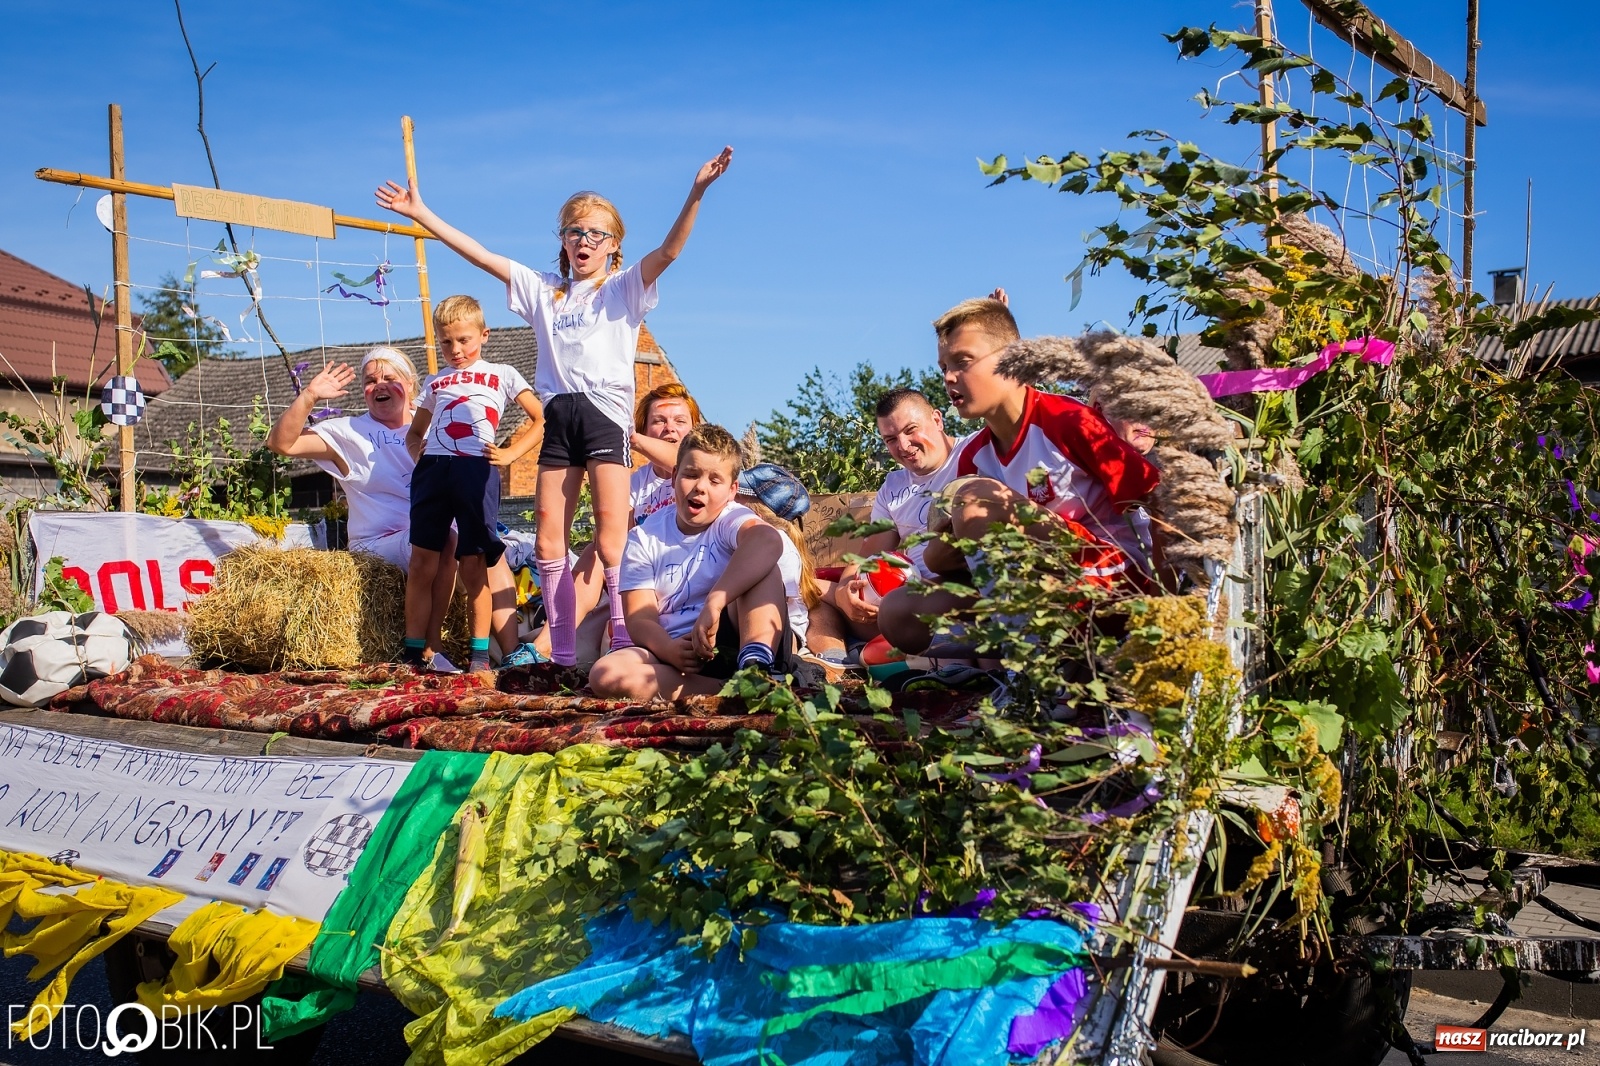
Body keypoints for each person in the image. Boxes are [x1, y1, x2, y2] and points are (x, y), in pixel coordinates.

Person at [377, 147, 734, 668]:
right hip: (560, 414)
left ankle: (621, 634)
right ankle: (558, 653)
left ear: (613, 245)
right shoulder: (543, 290)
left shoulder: (623, 288)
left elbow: (671, 251)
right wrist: (422, 214)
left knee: (612, 531)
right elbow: (481, 256)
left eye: (595, 234)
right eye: (573, 232)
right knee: (548, 534)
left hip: (604, 414)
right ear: (563, 243)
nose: (583, 241)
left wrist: (697, 191)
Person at [877, 298, 1160, 654]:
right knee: (899, 611)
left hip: (1110, 580)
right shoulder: (975, 455)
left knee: (973, 499)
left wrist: (1164, 606)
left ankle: (1031, 675)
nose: (949, 377)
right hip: (1036, 588)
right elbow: (938, 559)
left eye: (963, 362)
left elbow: (1156, 501)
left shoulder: (1069, 422)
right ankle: (1031, 656)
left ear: (1013, 360)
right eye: (944, 366)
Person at [266, 347, 511, 671]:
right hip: (379, 543)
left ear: (411, 385)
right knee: (446, 541)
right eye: (370, 381)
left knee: (489, 552)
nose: (379, 385)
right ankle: (430, 647)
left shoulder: (438, 424)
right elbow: (281, 444)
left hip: (429, 535)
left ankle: (514, 657)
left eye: (389, 378)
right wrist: (310, 395)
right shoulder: (349, 431)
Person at [588, 424, 792, 700]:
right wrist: (669, 650)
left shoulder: (730, 519)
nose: (700, 487)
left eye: (714, 480)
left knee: (764, 569)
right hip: (677, 651)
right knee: (605, 673)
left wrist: (715, 601)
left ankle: (756, 667)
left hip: (734, 636)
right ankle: (731, 694)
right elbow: (639, 618)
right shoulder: (644, 536)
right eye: (691, 475)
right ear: (674, 477)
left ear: (732, 490)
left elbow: (768, 540)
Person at [405, 296, 545, 673]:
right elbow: (415, 432)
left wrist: (513, 454)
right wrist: (422, 455)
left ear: (484, 335)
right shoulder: (435, 381)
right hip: (434, 471)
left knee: (473, 565)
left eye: (464, 340)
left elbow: (540, 418)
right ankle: (413, 653)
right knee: (422, 562)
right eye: (446, 342)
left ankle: (479, 656)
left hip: (476, 470)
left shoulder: (502, 372)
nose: (456, 350)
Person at [829, 387, 966, 645]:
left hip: (957, 591)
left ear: (937, 420)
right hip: (902, 595)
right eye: (890, 439)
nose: (903, 446)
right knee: (808, 590)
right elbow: (867, 554)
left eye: (910, 430)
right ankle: (833, 660)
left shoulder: (971, 453)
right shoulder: (893, 486)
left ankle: (882, 656)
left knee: (898, 607)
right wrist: (844, 593)